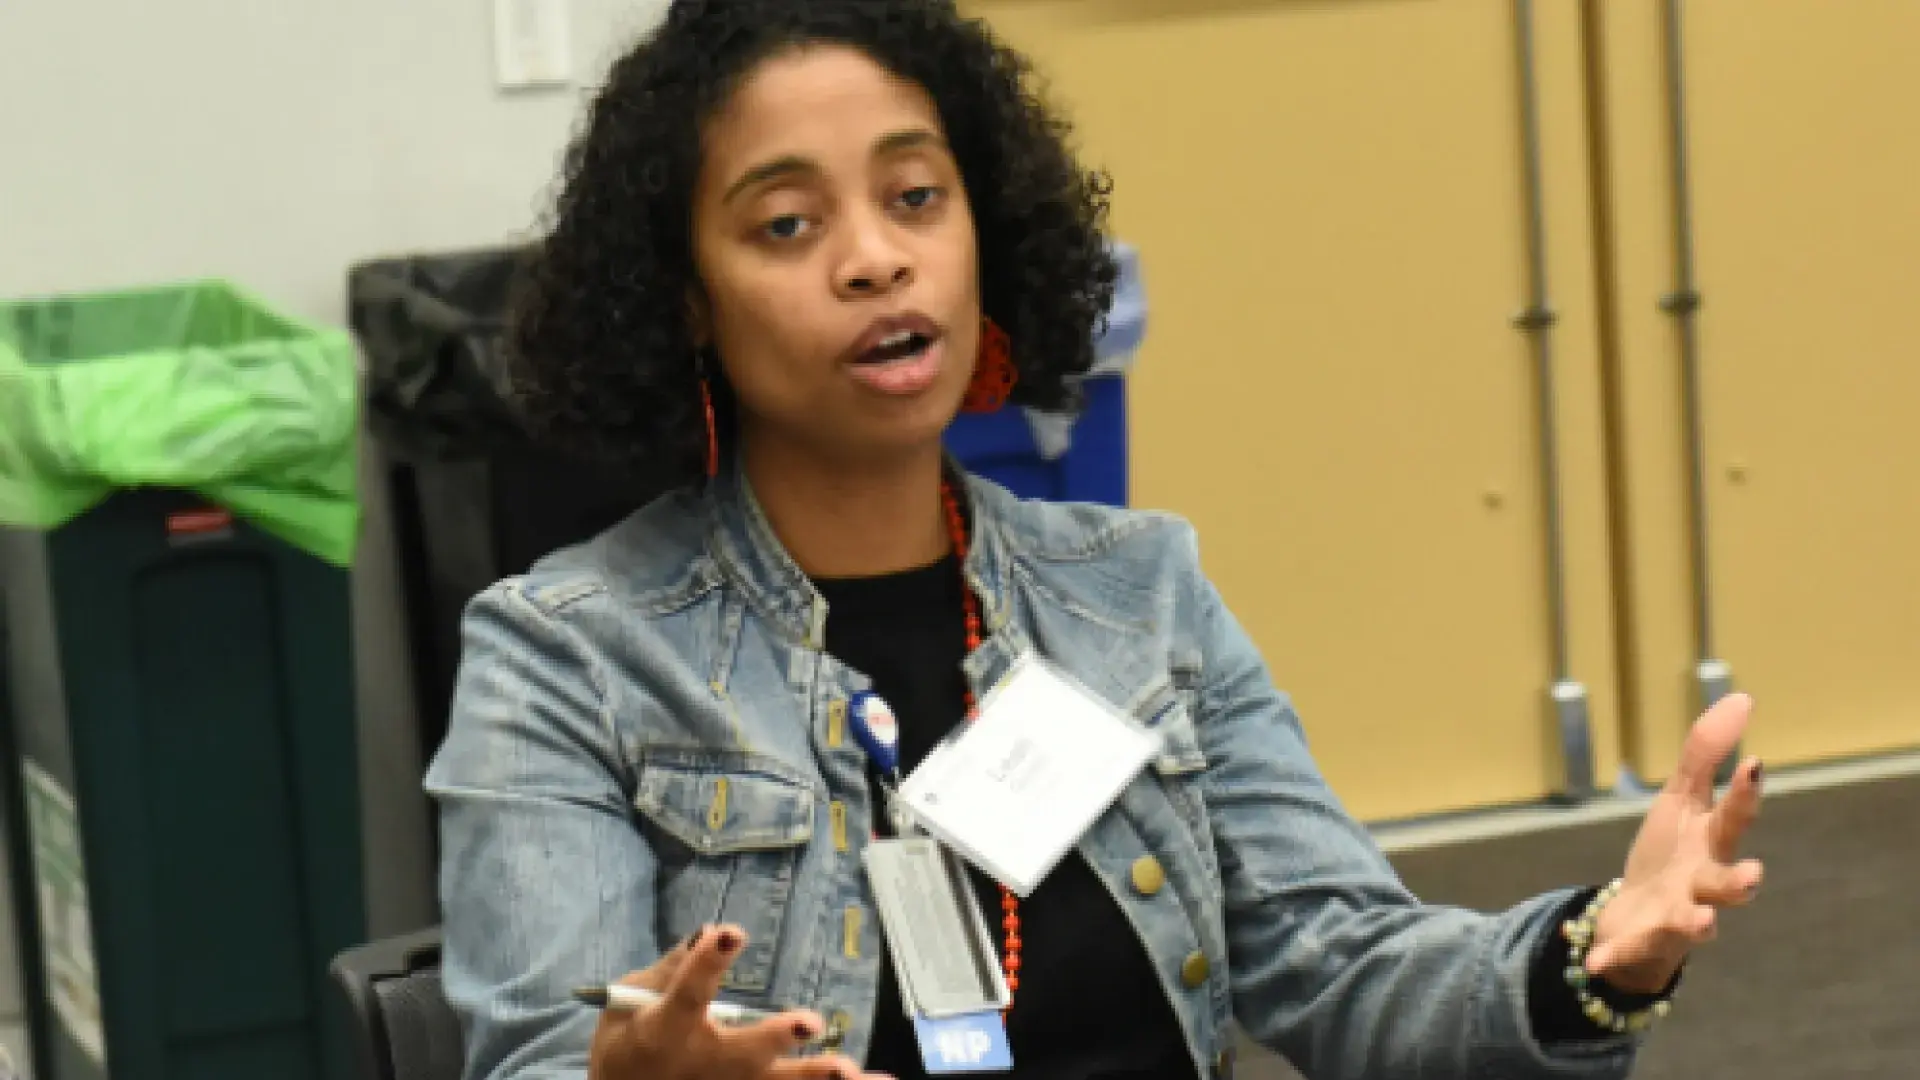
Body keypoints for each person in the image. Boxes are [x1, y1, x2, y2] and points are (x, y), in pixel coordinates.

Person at [424, 2, 1767, 1078]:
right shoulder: (565, 661)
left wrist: (1597, 952)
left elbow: (1343, 965)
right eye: (788, 225)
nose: (875, 261)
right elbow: (545, 1051)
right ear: (687, 305)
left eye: (915, 198)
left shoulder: (1138, 591)